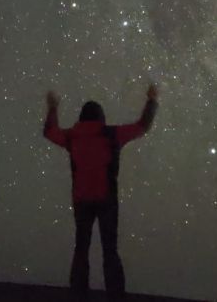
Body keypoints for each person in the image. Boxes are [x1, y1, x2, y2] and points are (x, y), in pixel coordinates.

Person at [42, 84, 159, 298]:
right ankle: (115, 295)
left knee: (81, 249)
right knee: (110, 251)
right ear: (101, 117)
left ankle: (79, 295)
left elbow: (49, 132)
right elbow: (143, 126)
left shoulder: (73, 136)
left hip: (81, 199)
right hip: (107, 200)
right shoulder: (111, 134)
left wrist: (53, 107)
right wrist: (151, 100)